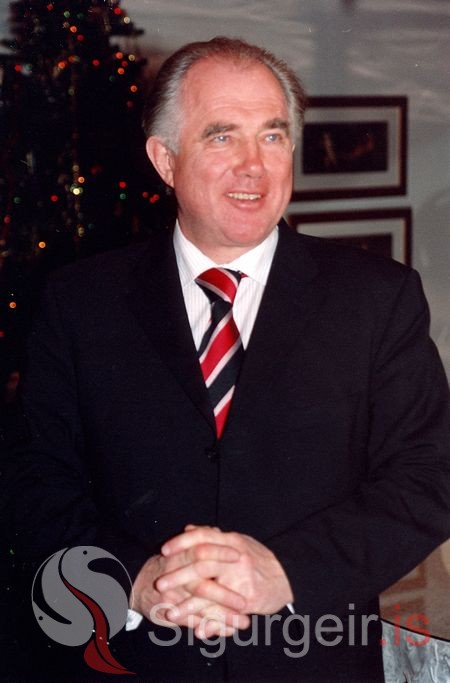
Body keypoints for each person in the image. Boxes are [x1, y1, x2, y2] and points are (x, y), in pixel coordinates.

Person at [5, 37, 449, 682]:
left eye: (272, 136)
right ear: (165, 159)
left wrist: (284, 572)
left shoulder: (378, 298)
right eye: (221, 136)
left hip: (314, 658)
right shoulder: (80, 302)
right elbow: (32, 480)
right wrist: (134, 581)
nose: (253, 167)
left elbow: (429, 477)